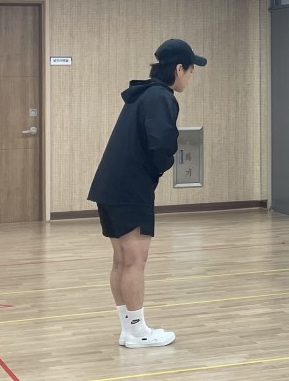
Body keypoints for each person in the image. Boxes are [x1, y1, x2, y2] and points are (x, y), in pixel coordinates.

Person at [87, 39, 206, 348]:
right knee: (134, 261)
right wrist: (161, 166)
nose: (190, 77)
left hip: (111, 186)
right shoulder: (162, 97)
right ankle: (138, 331)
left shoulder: (142, 94)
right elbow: (162, 144)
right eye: (191, 71)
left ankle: (129, 329)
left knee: (121, 260)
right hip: (131, 188)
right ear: (178, 69)